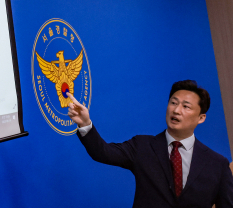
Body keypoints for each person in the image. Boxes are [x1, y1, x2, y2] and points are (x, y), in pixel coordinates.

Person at [67, 80, 233, 207]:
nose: (176, 110)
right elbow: (102, 152)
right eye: (173, 103)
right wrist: (85, 124)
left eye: (186, 106)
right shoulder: (142, 146)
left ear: (201, 118)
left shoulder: (218, 165)